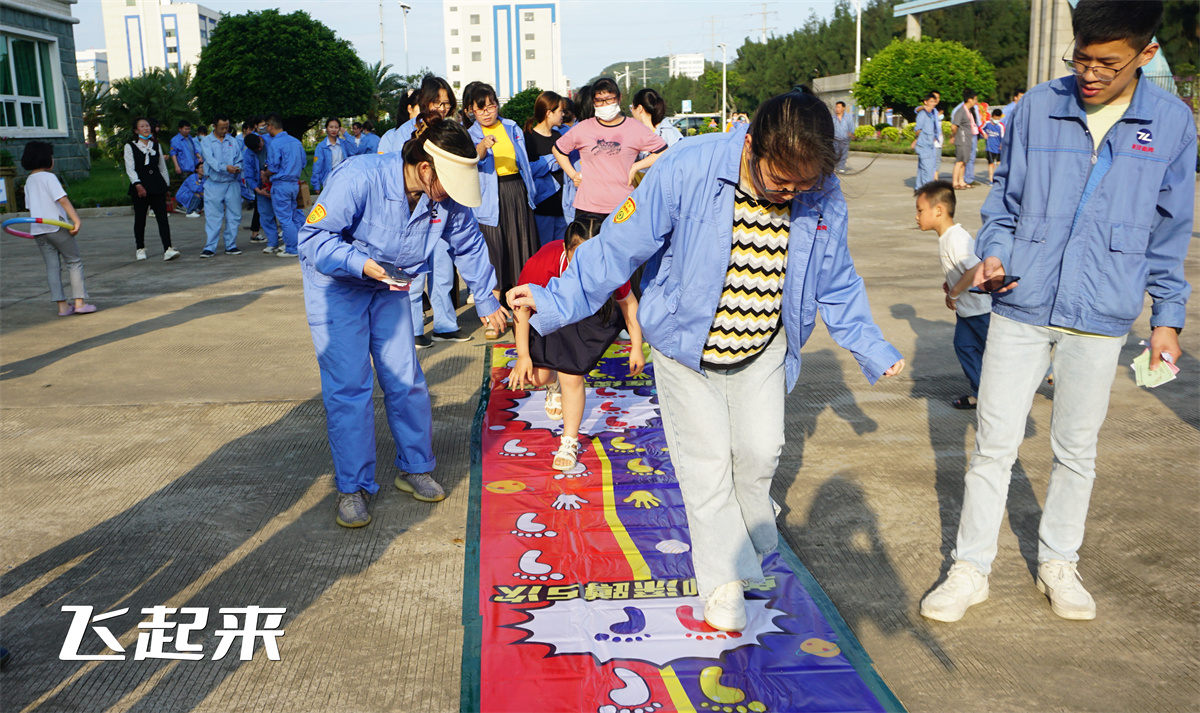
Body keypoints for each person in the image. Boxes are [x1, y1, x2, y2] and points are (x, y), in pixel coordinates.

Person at [509, 88, 905, 632]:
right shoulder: (688, 169)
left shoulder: (821, 190)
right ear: (752, 146)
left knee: (761, 451)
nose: (790, 194)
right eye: (779, 182)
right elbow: (616, 247)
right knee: (708, 465)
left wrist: (871, 345)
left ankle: (745, 545)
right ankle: (722, 583)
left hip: (763, 344)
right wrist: (553, 299)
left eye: (802, 186)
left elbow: (837, 278)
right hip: (683, 344)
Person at [919, 0, 1193, 624]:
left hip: (1102, 313)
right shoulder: (1038, 107)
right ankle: (970, 569)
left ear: (1145, 56)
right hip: (1022, 303)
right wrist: (993, 256)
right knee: (993, 443)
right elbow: (1004, 205)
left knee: (1076, 448)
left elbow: (1169, 231)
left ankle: (1059, 562)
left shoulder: (1172, 124)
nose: (1090, 73)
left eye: (1108, 63)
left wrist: (1167, 318)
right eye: (1082, 58)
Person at [298, 113, 508, 527]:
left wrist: (486, 298)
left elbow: (466, 242)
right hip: (339, 288)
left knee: (405, 378)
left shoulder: (443, 199)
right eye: (448, 184)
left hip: (392, 287)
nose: (449, 196)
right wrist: (361, 264)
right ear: (425, 167)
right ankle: (353, 487)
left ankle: (416, 467)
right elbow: (313, 239)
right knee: (350, 388)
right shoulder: (361, 177)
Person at [510, 219, 644, 470]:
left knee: (571, 376)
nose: (586, 262)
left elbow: (629, 304)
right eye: (578, 254)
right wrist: (523, 355)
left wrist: (636, 345)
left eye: (593, 254)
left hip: (588, 316)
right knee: (536, 376)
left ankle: (569, 441)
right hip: (547, 310)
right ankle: (552, 385)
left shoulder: (610, 263)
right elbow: (521, 309)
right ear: (565, 249)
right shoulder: (542, 263)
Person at [379, 76, 469, 347]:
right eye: (436, 102)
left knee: (442, 274)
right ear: (422, 102)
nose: (442, 108)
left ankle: (445, 324)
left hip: (441, 210)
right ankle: (415, 328)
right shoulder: (397, 135)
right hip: (411, 215)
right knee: (414, 276)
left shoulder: (451, 130)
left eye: (446, 104)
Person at [469, 83, 542, 336]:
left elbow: (524, 163)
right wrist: (483, 146)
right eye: (481, 108)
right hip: (489, 199)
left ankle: (525, 316)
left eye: (491, 105)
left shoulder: (511, 127)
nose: (487, 112)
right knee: (494, 257)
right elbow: (472, 159)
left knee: (521, 251)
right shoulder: (469, 135)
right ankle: (494, 320)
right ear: (471, 111)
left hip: (516, 193)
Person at [915, 180, 990, 408]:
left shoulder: (955, 238)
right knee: (964, 346)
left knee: (1000, 352)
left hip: (981, 309)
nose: (916, 216)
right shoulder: (947, 238)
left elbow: (976, 267)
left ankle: (1046, 369)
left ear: (938, 210)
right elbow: (961, 268)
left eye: (920, 210)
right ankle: (982, 395)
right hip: (969, 311)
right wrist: (951, 282)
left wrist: (954, 292)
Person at [552, 78, 667, 224]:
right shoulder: (584, 128)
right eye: (599, 100)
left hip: (623, 207)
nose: (604, 104)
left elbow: (663, 151)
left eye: (609, 99)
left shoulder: (635, 128)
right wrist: (573, 174)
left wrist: (636, 167)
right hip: (588, 206)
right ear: (593, 102)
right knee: (586, 247)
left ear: (619, 98)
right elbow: (558, 150)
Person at [22, 141, 93, 316]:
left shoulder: (29, 181)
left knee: (52, 267)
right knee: (74, 261)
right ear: (46, 158)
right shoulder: (49, 177)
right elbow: (62, 199)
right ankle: (79, 303)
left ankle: (62, 306)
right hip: (56, 227)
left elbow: (30, 207)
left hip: (39, 230)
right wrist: (76, 220)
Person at [124, 117, 180, 261]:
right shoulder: (130, 146)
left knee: (162, 218)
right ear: (136, 130)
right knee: (140, 219)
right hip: (140, 187)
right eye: (142, 126)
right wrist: (137, 184)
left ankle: (168, 248)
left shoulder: (156, 145)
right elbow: (130, 168)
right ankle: (140, 248)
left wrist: (166, 186)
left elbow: (162, 167)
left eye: (147, 126)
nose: (146, 128)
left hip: (157, 185)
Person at [524, 90, 569, 246]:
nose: (563, 114)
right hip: (542, 207)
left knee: (561, 253)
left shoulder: (560, 136)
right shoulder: (529, 138)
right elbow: (528, 170)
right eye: (561, 110)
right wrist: (553, 160)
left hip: (562, 207)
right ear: (549, 113)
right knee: (544, 253)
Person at [198, 115, 244, 258]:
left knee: (234, 215)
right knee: (213, 216)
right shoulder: (206, 141)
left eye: (227, 127)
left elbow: (240, 159)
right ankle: (210, 247)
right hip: (214, 183)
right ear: (214, 126)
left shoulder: (233, 141)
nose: (225, 130)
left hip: (232, 183)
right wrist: (225, 168)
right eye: (222, 128)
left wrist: (237, 167)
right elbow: (210, 160)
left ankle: (231, 245)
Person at [263, 113, 306, 258]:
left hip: (281, 184)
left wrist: (265, 174)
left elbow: (273, 167)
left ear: (271, 126)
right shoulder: (295, 142)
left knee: (285, 218)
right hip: (294, 183)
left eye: (265, 126)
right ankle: (301, 244)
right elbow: (304, 163)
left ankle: (292, 248)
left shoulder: (275, 143)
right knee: (294, 215)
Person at [240, 133, 279, 253]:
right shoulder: (248, 154)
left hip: (278, 184)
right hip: (261, 188)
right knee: (265, 216)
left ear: (261, 139)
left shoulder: (272, 143)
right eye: (256, 149)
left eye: (260, 146)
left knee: (284, 215)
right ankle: (272, 243)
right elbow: (249, 176)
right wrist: (258, 191)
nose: (259, 149)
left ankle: (290, 243)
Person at [168, 119, 203, 217]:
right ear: (180, 129)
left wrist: (198, 156)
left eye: (188, 129)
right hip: (184, 167)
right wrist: (176, 166)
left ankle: (190, 206)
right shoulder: (176, 140)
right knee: (186, 188)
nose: (187, 131)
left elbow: (194, 150)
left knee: (193, 187)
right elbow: (173, 154)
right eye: (185, 129)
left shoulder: (190, 138)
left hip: (193, 166)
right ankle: (183, 206)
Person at [311, 118, 352, 193]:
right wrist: (316, 185)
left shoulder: (344, 143)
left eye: (336, 127)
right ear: (326, 128)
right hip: (328, 180)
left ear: (339, 129)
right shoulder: (321, 146)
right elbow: (317, 166)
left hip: (343, 179)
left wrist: (346, 134)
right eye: (331, 127)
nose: (333, 130)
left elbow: (355, 150)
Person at [912, 92, 942, 188]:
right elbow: (918, 129)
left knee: (924, 168)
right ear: (926, 102)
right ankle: (927, 190)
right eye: (931, 101)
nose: (934, 103)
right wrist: (916, 140)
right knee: (927, 170)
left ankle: (919, 188)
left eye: (935, 101)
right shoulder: (923, 113)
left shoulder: (934, 112)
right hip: (924, 145)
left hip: (930, 144)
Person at [950, 89, 978, 190]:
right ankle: (955, 182)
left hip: (968, 139)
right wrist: (954, 136)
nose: (976, 102)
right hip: (961, 139)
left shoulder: (969, 111)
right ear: (969, 100)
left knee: (965, 161)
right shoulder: (961, 111)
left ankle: (961, 181)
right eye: (975, 99)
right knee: (960, 161)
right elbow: (954, 126)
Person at [980, 108, 1005, 184]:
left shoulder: (1001, 126)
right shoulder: (987, 123)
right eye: (995, 118)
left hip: (998, 148)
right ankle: (991, 180)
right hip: (989, 147)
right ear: (992, 116)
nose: (997, 120)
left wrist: (1002, 145)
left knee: (999, 163)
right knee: (990, 163)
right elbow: (980, 128)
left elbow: (1003, 137)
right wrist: (984, 134)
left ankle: (1000, 178)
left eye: (998, 118)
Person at [832, 100, 856, 172]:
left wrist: (850, 133)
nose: (837, 109)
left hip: (845, 139)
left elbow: (851, 126)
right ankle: (837, 166)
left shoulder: (848, 117)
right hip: (835, 139)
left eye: (839, 107)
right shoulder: (833, 117)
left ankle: (841, 167)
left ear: (843, 108)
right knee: (836, 154)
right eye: (836, 107)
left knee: (843, 154)